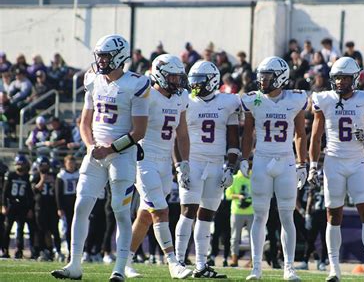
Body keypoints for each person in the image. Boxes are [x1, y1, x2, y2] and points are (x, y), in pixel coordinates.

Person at [51, 34, 150, 281]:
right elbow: (84, 122)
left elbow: (139, 131)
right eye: (99, 56)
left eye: (105, 56)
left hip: (122, 156)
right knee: (81, 206)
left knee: (120, 211)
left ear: (118, 57)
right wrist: (90, 145)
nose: (101, 60)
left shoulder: (135, 84)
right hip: (95, 154)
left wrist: (110, 149)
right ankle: (74, 265)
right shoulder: (93, 80)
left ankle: (119, 269)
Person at [308, 57, 364, 282]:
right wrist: (312, 165)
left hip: (357, 162)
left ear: (355, 78)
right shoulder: (324, 99)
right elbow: (315, 136)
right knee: (333, 215)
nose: (339, 82)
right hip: (333, 162)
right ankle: (334, 267)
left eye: (344, 77)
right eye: (337, 77)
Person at [240, 56, 308, 280]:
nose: (262, 81)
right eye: (261, 76)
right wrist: (243, 157)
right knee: (260, 216)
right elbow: (248, 132)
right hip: (261, 158)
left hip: (286, 159)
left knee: (287, 216)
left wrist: (302, 163)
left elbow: (300, 134)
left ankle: (289, 267)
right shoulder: (253, 100)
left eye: (267, 77)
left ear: (280, 78)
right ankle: (256, 267)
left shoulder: (296, 99)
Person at [124, 54, 191, 279]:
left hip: (164, 162)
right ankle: (173, 262)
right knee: (160, 210)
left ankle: (124, 261)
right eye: (172, 76)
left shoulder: (180, 98)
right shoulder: (147, 95)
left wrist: (183, 164)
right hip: (144, 159)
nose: (177, 81)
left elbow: (182, 134)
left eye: (178, 77)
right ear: (160, 75)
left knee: (145, 214)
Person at [175, 60, 240, 278]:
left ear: (212, 81)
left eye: (200, 81)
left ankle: (201, 265)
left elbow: (233, 139)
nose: (195, 86)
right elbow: (177, 136)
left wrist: (231, 167)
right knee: (188, 211)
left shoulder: (229, 102)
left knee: (207, 215)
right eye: (192, 81)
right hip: (192, 161)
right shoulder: (185, 101)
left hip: (215, 164)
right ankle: (178, 262)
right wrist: (179, 164)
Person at [1, 154, 34, 259]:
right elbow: (4, 192)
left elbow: (29, 194)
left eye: (21, 163)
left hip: (22, 206)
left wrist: (29, 209)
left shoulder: (27, 177)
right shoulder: (10, 175)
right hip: (11, 205)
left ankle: (19, 251)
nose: (19, 165)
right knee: (7, 229)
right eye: (18, 163)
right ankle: (4, 249)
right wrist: (3, 205)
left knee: (20, 229)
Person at [31, 156, 61, 261]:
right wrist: (43, 179)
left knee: (54, 231)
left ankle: (57, 251)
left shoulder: (54, 175)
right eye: (42, 165)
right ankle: (43, 251)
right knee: (41, 230)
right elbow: (35, 190)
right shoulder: (35, 176)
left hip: (52, 207)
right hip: (40, 207)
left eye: (46, 165)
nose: (44, 167)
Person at [225, 166, 254, 268]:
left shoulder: (253, 178)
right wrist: (239, 196)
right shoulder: (235, 178)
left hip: (252, 212)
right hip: (237, 212)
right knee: (235, 237)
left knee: (253, 238)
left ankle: (253, 261)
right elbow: (228, 195)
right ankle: (234, 259)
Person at [55, 155, 79, 260]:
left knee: (78, 228)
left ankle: (78, 252)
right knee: (68, 229)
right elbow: (58, 193)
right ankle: (69, 251)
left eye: (72, 163)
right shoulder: (62, 175)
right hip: (66, 204)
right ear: (65, 164)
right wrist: (60, 207)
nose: (71, 165)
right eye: (69, 163)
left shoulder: (79, 173)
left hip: (77, 203)